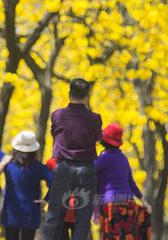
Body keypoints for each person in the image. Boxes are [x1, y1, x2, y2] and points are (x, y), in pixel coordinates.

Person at [43, 78, 102, 240]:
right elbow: (97, 138)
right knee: (83, 218)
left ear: (69, 93)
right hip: (86, 169)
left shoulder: (57, 116)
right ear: (87, 95)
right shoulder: (94, 118)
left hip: (63, 167)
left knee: (54, 214)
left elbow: (54, 133)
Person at [0, 129, 53, 240]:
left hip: (11, 213)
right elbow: (55, 182)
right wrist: (46, 199)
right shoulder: (39, 168)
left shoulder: (8, 164)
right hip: (31, 213)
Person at [95, 123, 152, 239]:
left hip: (111, 204)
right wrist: (143, 202)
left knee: (110, 236)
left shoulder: (103, 158)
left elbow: (90, 173)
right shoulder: (123, 158)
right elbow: (131, 183)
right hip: (128, 203)